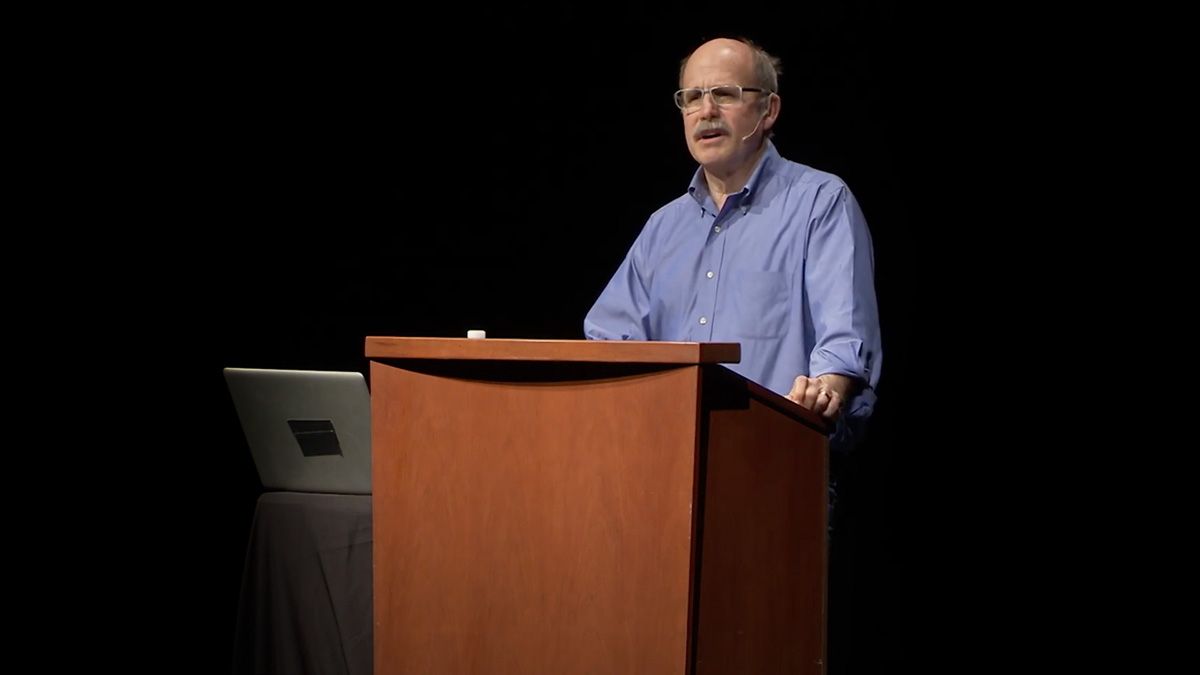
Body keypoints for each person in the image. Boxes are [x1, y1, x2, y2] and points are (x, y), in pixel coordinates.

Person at [584, 37, 882, 452]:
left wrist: (824, 388)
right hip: (665, 466)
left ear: (768, 110)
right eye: (692, 98)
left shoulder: (821, 203)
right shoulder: (662, 228)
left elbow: (844, 338)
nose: (706, 111)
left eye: (725, 94)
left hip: (776, 464)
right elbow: (608, 340)